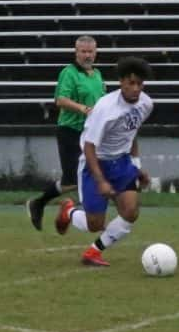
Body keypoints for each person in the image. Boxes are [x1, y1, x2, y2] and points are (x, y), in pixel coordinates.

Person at [54, 57, 154, 267]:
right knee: (94, 224)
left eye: (140, 84)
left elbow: (131, 132)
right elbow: (89, 147)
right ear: (121, 82)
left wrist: (136, 167)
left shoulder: (146, 104)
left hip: (122, 162)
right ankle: (69, 211)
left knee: (130, 211)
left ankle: (93, 252)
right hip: (94, 163)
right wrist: (100, 180)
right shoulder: (105, 108)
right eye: (131, 83)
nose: (136, 89)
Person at [26, 36, 105, 230]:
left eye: (90, 52)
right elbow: (60, 100)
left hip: (90, 134)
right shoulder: (68, 73)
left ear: (96, 53)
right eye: (83, 52)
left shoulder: (97, 74)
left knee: (86, 176)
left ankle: (73, 211)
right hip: (70, 131)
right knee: (73, 179)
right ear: (76, 53)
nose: (87, 55)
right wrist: (84, 109)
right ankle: (60, 208)